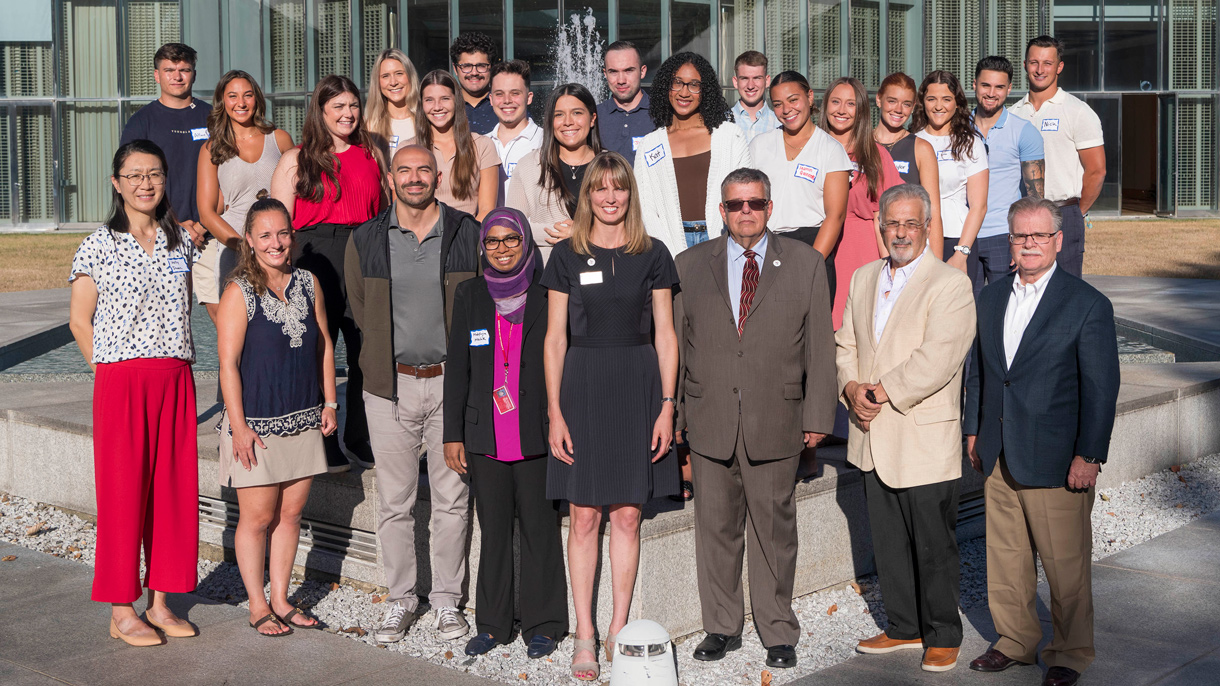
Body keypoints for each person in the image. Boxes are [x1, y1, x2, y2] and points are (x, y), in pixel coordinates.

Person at [675, 167, 836, 671]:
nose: (747, 212)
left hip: (778, 418)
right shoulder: (688, 265)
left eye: (756, 203)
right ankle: (722, 626)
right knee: (716, 530)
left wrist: (817, 416)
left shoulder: (806, 263)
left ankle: (777, 629)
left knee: (774, 530)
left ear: (770, 208)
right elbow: (678, 349)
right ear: (721, 211)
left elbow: (821, 349)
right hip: (709, 418)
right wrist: (676, 416)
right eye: (737, 204)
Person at [964, 197, 1119, 686]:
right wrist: (974, 430)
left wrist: (1089, 454)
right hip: (998, 452)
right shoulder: (990, 297)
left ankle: (1070, 653)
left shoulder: (1087, 304)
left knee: (1064, 564)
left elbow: (1101, 387)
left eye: (1039, 236)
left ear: (1057, 240)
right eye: (1020, 236)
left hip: (1057, 457)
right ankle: (1015, 639)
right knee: (1005, 557)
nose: (1029, 244)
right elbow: (982, 374)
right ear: (1009, 242)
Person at [542, 151, 680, 681]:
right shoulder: (565, 256)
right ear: (587, 196)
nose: (609, 197)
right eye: (599, 188)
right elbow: (555, 339)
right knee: (583, 516)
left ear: (629, 193)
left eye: (618, 188)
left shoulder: (654, 254)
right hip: (582, 386)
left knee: (626, 514)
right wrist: (554, 411)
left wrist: (667, 406)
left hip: (639, 385)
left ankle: (620, 629)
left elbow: (666, 335)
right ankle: (584, 633)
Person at [836, 183, 976, 673]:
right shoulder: (863, 277)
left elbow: (939, 357)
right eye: (892, 222)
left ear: (928, 228)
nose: (901, 232)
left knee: (933, 543)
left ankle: (942, 633)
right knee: (889, 539)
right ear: (880, 226)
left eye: (911, 223)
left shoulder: (950, 284)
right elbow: (846, 341)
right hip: (871, 433)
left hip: (921, 434)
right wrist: (851, 387)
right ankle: (903, 626)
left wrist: (879, 392)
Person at [345, 144, 481, 646]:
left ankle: (446, 600)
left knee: (451, 498)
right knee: (394, 502)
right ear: (391, 177)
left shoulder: (466, 232)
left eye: (424, 169)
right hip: (389, 388)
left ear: (438, 174)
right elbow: (361, 312)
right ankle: (401, 597)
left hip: (452, 384)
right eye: (405, 170)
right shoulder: (367, 239)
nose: (415, 177)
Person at [67, 139, 202, 647]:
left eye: (155, 174)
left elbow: (182, 309)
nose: (146, 183)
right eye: (135, 175)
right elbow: (80, 321)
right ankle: (121, 608)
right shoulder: (98, 244)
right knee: (125, 494)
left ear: (166, 180)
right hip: (122, 380)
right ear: (116, 183)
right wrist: (107, 372)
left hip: (173, 376)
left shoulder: (180, 243)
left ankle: (162, 602)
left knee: (173, 493)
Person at [442, 208, 568, 660]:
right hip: (485, 437)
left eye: (510, 240)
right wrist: (452, 433)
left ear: (526, 243)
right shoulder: (470, 294)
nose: (501, 249)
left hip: (535, 432)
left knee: (540, 530)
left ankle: (545, 624)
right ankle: (493, 624)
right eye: (492, 241)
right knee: (494, 533)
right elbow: (457, 367)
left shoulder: (548, 292)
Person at [216, 197, 335, 636]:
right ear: (249, 240)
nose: (276, 243)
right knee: (258, 518)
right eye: (264, 235)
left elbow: (323, 343)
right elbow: (227, 365)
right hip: (257, 425)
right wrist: (240, 426)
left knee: (291, 516)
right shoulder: (238, 291)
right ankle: (256, 604)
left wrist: (330, 402)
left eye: (282, 233)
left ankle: (282, 600)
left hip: (304, 417)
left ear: (293, 234)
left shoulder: (307, 282)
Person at [270, 74, 386, 472]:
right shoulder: (295, 159)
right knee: (318, 348)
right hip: (314, 255)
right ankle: (323, 438)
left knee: (365, 350)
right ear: (321, 112)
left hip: (366, 251)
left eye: (353, 105)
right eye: (338, 106)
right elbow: (277, 223)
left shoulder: (373, 152)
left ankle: (359, 434)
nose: (348, 113)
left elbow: (385, 209)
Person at [196, 70, 294, 322]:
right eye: (233, 96)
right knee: (237, 327)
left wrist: (284, 242)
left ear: (257, 99)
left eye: (247, 95)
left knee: (283, 322)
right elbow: (207, 212)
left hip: (277, 248)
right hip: (234, 248)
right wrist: (242, 247)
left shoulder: (280, 139)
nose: (241, 103)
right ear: (222, 101)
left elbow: (299, 195)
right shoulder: (211, 149)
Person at [120, 44, 213, 305]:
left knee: (224, 314)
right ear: (156, 75)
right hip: (161, 233)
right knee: (166, 313)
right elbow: (132, 182)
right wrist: (173, 223)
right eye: (169, 70)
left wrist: (204, 224)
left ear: (194, 74)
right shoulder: (141, 122)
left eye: (184, 69)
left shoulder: (213, 118)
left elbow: (228, 174)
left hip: (209, 234)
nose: (177, 76)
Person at [635, 52, 752, 256]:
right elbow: (645, 207)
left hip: (724, 242)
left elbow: (745, 195)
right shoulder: (650, 144)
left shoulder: (730, 136)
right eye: (677, 83)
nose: (684, 92)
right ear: (666, 86)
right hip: (668, 244)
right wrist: (669, 252)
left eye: (694, 85)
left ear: (704, 90)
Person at [750, 71, 852, 301]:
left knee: (810, 334)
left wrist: (812, 263)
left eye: (793, 100)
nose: (786, 110)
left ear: (809, 97)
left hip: (811, 247)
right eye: (778, 104)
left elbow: (835, 216)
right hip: (764, 248)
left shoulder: (830, 149)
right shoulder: (759, 146)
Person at [1010, 35, 1106, 278]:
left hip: (1064, 213)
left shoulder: (1077, 111)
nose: (1040, 70)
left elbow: (1096, 170)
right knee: (1022, 288)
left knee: (1065, 291)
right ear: (1024, 65)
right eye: (1034, 62)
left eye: (1047, 63)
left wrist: (1075, 211)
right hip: (1021, 215)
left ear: (1059, 67)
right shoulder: (1013, 114)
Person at [819, 76, 904, 329]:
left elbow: (886, 215)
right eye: (835, 102)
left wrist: (893, 266)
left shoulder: (876, 155)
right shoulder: (813, 149)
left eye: (850, 104)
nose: (841, 110)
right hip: (819, 248)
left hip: (863, 254)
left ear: (861, 111)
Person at [972, 56, 1046, 294]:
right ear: (974, 84)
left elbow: (1035, 197)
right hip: (963, 234)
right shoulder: (957, 128)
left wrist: (1025, 241)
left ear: (1009, 89)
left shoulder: (1025, 132)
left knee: (1004, 309)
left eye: (999, 87)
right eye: (986, 85)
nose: (991, 93)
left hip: (1002, 236)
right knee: (961, 313)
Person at [506, 83, 601, 263]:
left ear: (592, 118)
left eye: (577, 113)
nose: (568, 121)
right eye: (559, 115)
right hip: (548, 272)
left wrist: (583, 232)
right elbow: (512, 227)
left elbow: (630, 224)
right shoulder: (529, 166)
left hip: (602, 268)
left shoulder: (611, 165)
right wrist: (567, 233)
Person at [913, 70, 988, 277]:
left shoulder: (971, 144)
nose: (938, 106)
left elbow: (979, 207)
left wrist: (961, 253)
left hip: (956, 240)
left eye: (946, 99)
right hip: (916, 238)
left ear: (957, 103)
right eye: (931, 99)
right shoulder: (911, 141)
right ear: (922, 102)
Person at [872, 72, 944, 258]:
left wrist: (935, 265)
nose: (898, 109)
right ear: (879, 99)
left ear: (913, 108)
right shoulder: (859, 144)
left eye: (906, 104)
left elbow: (933, 212)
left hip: (904, 248)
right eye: (892, 101)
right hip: (866, 244)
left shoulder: (921, 148)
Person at [416, 70, 501, 221]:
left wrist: (465, 239)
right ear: (421, 104)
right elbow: (402, 209)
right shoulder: (409, 149)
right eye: (429, 100)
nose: (437, 107)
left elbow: (487, 210)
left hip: (467, 236)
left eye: (445, 98)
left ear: (456, 101)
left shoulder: (482, 146)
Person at [487, 60, 543, 201]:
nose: (507, 100)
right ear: (491, 99)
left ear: (529, 98)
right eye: (499, 94)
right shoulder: (479, 144)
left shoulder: (545, 141)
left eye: (515, 93)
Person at [596, 41, 652, 165]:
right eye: (613, 72)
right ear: (605, 74)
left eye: (628, 70)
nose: (621, 80)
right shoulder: (594, 117)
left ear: (642, 72)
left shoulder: (662, 114)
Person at [365, 48, 422, 159]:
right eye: (385, 76)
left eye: (399, 74)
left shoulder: (425, 120)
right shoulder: (369, 126)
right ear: (378, 82)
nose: (393, 82)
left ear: (410, 76)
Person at [450, 31, 498, 135]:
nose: (474, 73)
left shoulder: (505, 105)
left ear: (492, 67)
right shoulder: (446, 106)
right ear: (455, 69)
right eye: (466, 66)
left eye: (481, 66)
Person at [730, 51, 780, 142]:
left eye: (757, 78)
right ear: (735, 82)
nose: (750, 86)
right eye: (744, 78)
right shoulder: (722, 122)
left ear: (767, 81)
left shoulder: (779, 124)